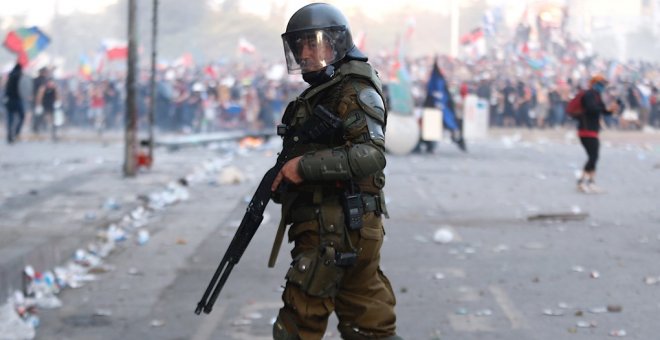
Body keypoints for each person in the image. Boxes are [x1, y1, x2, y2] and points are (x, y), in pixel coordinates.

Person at [269, 3, 401, 339]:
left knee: (298, 327)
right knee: (369, 326)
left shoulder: (353, 89)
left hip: (334, 227)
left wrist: (304, 167)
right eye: (300, 45)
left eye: (314, 43)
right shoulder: (327, 91)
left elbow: (371, 154)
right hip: (344, 226)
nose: (305, 53)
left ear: (337, 43)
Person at [576, 75, 618, 193]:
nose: (603, 86)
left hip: (593, 130)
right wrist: (603, 109)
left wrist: (611, 110)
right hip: (586, 130)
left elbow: (602, 111)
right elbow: (591, 109)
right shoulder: (589, 94)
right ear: (594, 83)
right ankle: (582, 182)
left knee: (594, 156)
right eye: (601, 84)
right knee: (593, 156)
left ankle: (590, 182)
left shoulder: (597, 95)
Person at [4, 63, 24, 144]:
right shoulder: (18, 76)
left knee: (10, 118)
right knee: (21, 115)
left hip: (9, 100)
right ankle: (16, 132)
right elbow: (21, 88)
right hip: (16, 99)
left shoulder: (10, 76)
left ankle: (10, 134)